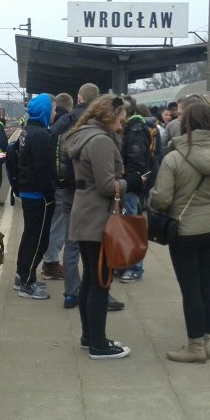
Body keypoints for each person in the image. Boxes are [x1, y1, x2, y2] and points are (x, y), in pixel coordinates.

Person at [149, 98, 210, 363]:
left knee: (190, 288)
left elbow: (162, 199)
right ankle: (205, 342)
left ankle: (194, 347)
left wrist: (154, 197)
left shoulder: (174, 158)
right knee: (205, 285)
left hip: (184, 231)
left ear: (186, 123)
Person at [65, 94, 139, 359]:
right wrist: (132, 183)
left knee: (90, 280)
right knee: (101, 281)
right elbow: (107, 186)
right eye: (121, 118)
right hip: (98, 217)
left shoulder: (84, 135)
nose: (123, 124)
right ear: (110, 115)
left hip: (85, 214)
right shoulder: (100, 142)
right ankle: (98, 343)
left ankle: (89, 337)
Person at [48, 83, 125, 311]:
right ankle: (100, 296)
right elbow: (106, 182)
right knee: (97, 261)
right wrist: (128, 183)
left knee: (71, 245)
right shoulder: (101, 136)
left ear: (79, 97)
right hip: (93, 197)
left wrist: (59, 183)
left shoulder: (66, 122)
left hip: (71, 192)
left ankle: (71, 293)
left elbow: (53, 154)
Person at [14, 93, 56, 299]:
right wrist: (50, 195)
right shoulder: (41, 135)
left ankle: (22, 274)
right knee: (39, 239)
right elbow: (43, 168)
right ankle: (27, 283)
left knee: (29, 235)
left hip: (27, 190)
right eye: (52, 109)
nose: (54, 113)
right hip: (38, 194)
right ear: (45, 111)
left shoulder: (26, 131)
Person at [118, 96, 154, 283]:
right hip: (125, 185)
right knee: (123, 226)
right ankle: (124, 264)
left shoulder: (135, 132)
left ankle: (135, 267)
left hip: (131, 187)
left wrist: (129, 182)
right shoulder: (128, 130)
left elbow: (138, 164)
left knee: (131, 226)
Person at [42, 93, 74, 280]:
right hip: (61, 184)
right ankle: (51, 263)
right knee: (58, 226)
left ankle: (49, 260)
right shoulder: (66, 123)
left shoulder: (52, 123)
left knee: (53, 224)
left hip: (50, 183)